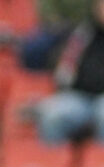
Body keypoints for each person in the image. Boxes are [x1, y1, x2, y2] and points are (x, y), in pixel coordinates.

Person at [37, 0, 104, 144]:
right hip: (79, 95)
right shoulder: (82, 33)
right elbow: (64, 70)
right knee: (53, 115)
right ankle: (53, 158)